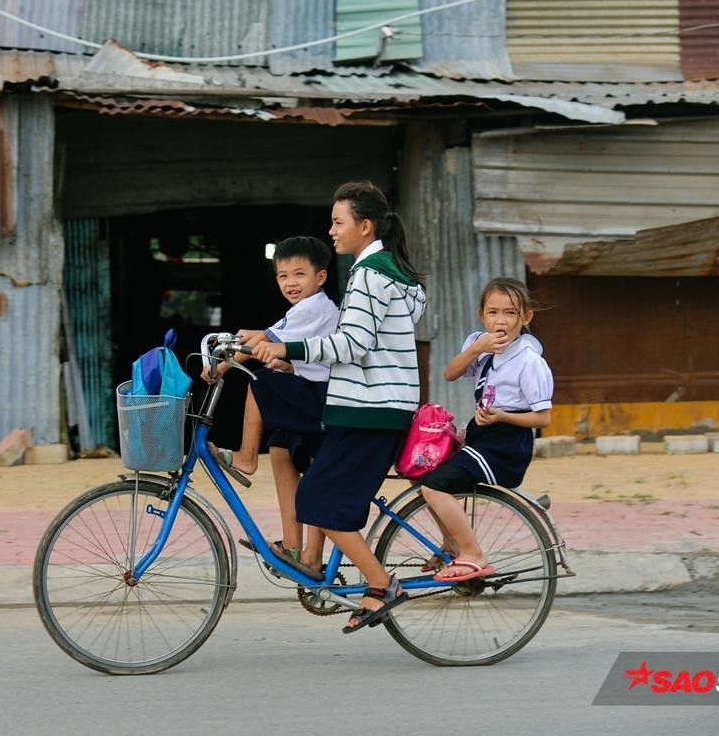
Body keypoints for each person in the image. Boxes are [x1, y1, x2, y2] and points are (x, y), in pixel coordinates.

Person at [253, 181, 427, 634]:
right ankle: (342, 573)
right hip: (372, 406)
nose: (331, 231)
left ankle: (383, 584)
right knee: (324, 493)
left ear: (364, 226)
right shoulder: (386, 271)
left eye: (338, 222)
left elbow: (351, 344)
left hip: (372, 408)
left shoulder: (370, 274)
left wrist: (287, 350)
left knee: (317, 501)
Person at [202, 236, 339, 577]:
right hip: (316, 393)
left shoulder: (314, 307)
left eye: (299, 274)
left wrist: (222, 365)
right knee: (279, 447)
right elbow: (276, 341)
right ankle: (295, 548)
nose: (290, 283)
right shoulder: (304, 310)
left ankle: (247, 456)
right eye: (282, 276)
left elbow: (265, 339)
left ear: (319, 278)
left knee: (260, 382)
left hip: (322, 398)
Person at [419, 277, 553, 582]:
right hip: (482, 438)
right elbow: (450, 373)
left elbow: (542, 418)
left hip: (505, 447)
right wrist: (476, 349)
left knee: (434, 486)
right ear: (482, 315)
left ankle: (472, 553)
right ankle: (452, 543)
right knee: (423, 475)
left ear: (525, 317)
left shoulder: (529, 361)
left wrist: (502, 416)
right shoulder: (479, 345)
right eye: (493, 313)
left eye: (510, 313)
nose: (500, 321)